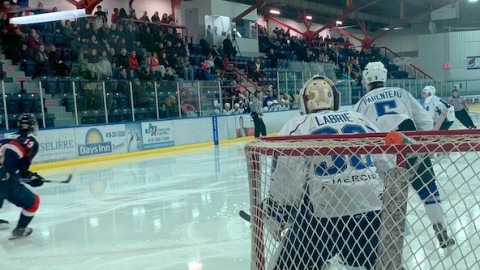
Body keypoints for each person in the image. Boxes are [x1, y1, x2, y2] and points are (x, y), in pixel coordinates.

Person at [268, 75, 387, 269]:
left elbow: (288, 175)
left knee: (288, 264)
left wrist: (278, 208)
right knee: (371, 262)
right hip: (370, 204)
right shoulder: (358, 118)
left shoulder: (298, 125)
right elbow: (384, 159)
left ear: (305, 101)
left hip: (324, 211)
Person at [353, 61, 456, 249]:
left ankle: (391, 243)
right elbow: (424, 121)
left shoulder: (360, 104)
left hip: (385, 153)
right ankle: (441, 232)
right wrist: (423, 147)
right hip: (411, 145)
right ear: (384, 77)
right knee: (428, 190)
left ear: (366, 80)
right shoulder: (401, 92)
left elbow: (359, 135)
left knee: (391, 200)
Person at [0, 113, 44, 239]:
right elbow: (15, 165)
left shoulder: (7, 138)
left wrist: (29, 176)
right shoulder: (31, 141)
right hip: (5, 179)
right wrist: (29, 177)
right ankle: (20, 230)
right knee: (33, 202)